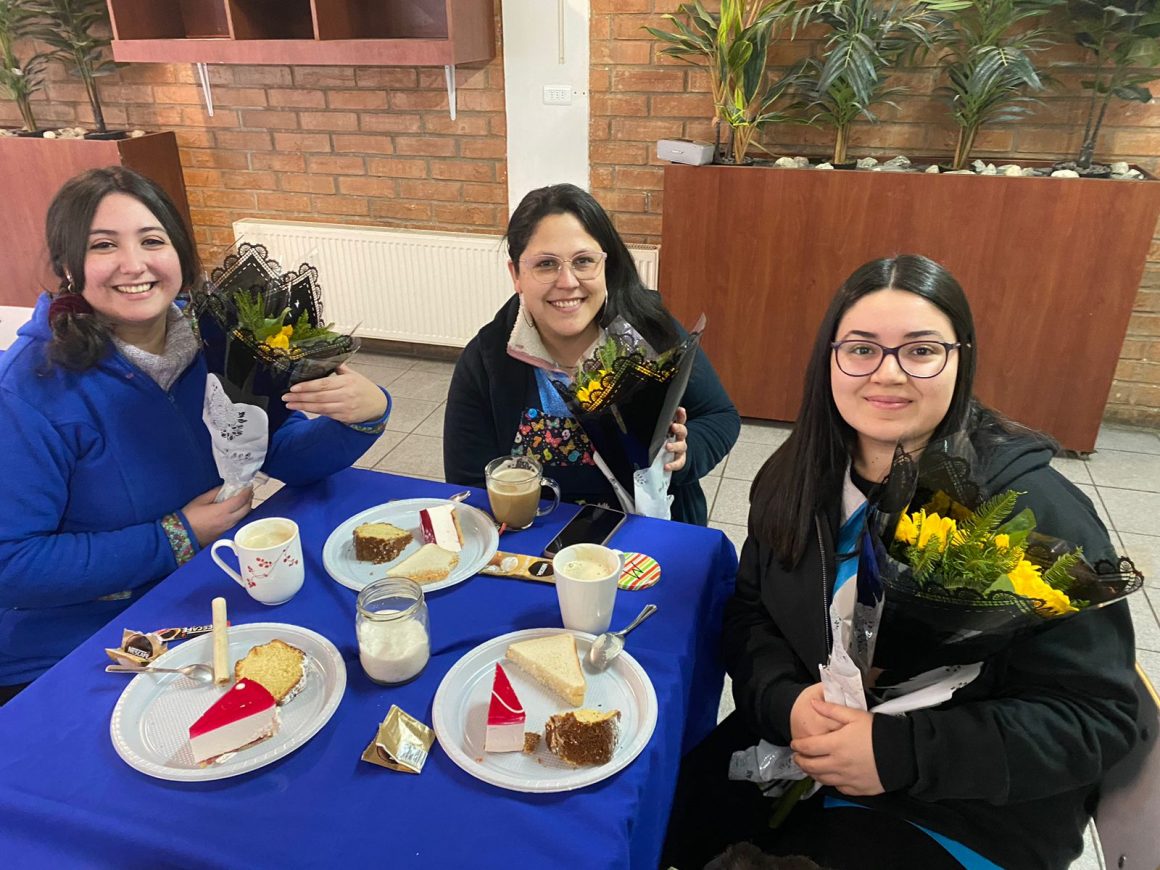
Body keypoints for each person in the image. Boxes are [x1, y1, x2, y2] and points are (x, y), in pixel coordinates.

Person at [662, 255, 1138, 869]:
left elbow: (1095, 718)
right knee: (642, 824)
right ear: (829, 360)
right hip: (798, 746)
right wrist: (786, 701)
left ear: (960, 359)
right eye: (862, 349)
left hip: (960, 805)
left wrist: (901, 752)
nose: (887, 375)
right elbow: (751, 615)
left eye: (920, 351)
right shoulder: (793, 479)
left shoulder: (1032, 514)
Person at [0, 167, 390, 703]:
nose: (134, 265)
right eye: (104, 245)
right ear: (69, 266)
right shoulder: (29, 389)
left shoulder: (220, 341)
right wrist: (176, 536)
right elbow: (12, 564)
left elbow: (279, 453)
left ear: (180, 253)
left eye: (152, 240)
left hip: (213, 596)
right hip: (79, 644)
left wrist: (362, 416)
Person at [444, 183, 739, 525]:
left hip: (655, 533)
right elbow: (469, 484)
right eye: (545, 264)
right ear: (517, 275)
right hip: (537, 546)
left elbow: (720, 415)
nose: (567, 281)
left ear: (606, 266)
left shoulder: (649, 331)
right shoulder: (487, 359)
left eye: (583, 261)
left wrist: (686, 454)